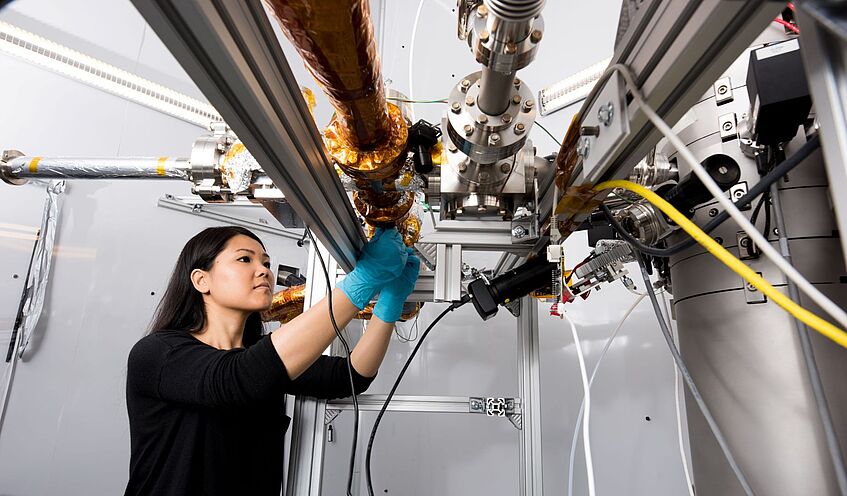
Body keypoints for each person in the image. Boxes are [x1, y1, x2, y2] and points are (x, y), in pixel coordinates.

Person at [124, 225, 419, 495]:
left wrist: (388, 304)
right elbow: (238, 379)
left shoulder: (260, 357)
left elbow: (351, 377)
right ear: (202, 280)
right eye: (245, 260)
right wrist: (363, 281)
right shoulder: (159, 354)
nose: (264, 270)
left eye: (266, 262)